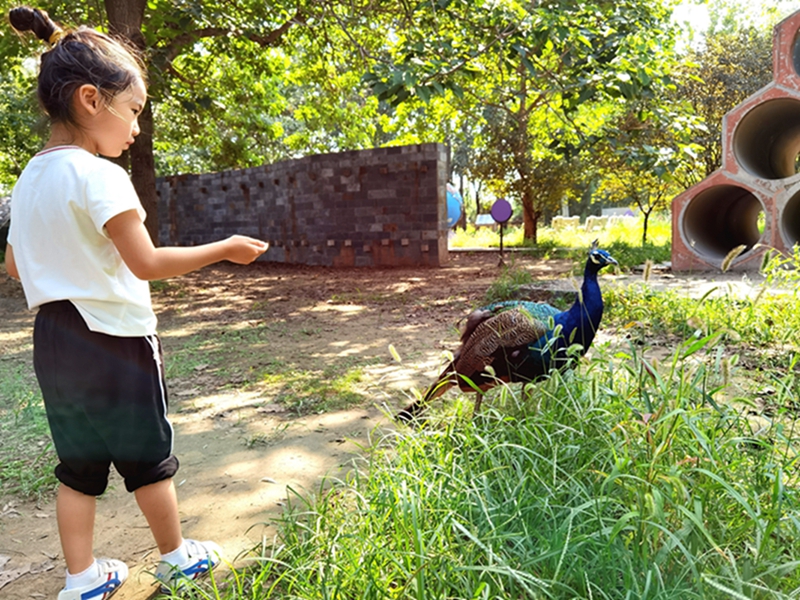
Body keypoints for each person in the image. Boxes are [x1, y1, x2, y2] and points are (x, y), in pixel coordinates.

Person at [4, 7, 269, 599]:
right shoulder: (99, 176)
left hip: (52, 338)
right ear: (92, 100)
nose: (137, 129)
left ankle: (82, 580)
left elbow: (15, 266)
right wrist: (223, 247)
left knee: (78, 467)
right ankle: (176, 558)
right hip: (114, 339)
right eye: (135, 111)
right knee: (148, 457)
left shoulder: (28, 179)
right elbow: (145, 262)